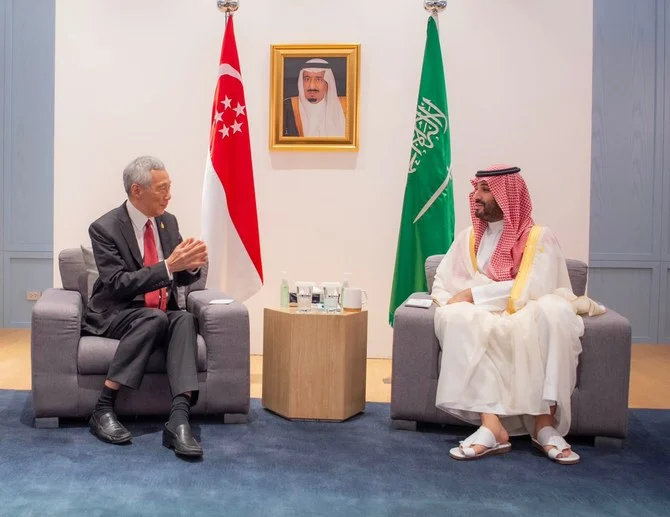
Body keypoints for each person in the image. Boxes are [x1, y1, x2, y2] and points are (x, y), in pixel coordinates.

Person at [431, 164, 604, 465]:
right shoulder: (469, 237)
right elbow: (445, 281)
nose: (476, 196)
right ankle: (491, 426)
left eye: (486, 190)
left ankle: (544, 425)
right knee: (455, 317)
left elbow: (537, 285)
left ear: (507, 196)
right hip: (485, 315)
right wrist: (463, 299)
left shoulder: (540, 237)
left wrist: (475, 293)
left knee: (554, 312)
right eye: (476, 189)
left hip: (528, 310)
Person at [82, 155, 208, 458]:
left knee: (184, 320)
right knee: (154, 320)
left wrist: (191, 265)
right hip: (117, 311)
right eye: (161, 189)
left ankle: (178, 420)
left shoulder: (168, 221)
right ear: (137, 191)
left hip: (159, 311)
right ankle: (103, 408)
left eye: (169, 187)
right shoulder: (104, 228)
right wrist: (168, 266)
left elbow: (178, 272)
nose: (169, 195)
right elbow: (117, 283)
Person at [282, 58, 346, 137]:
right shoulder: (287, 107)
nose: (312, 86)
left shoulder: (345, 107)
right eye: (307, 79)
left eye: (318, 79)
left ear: (328, 82)